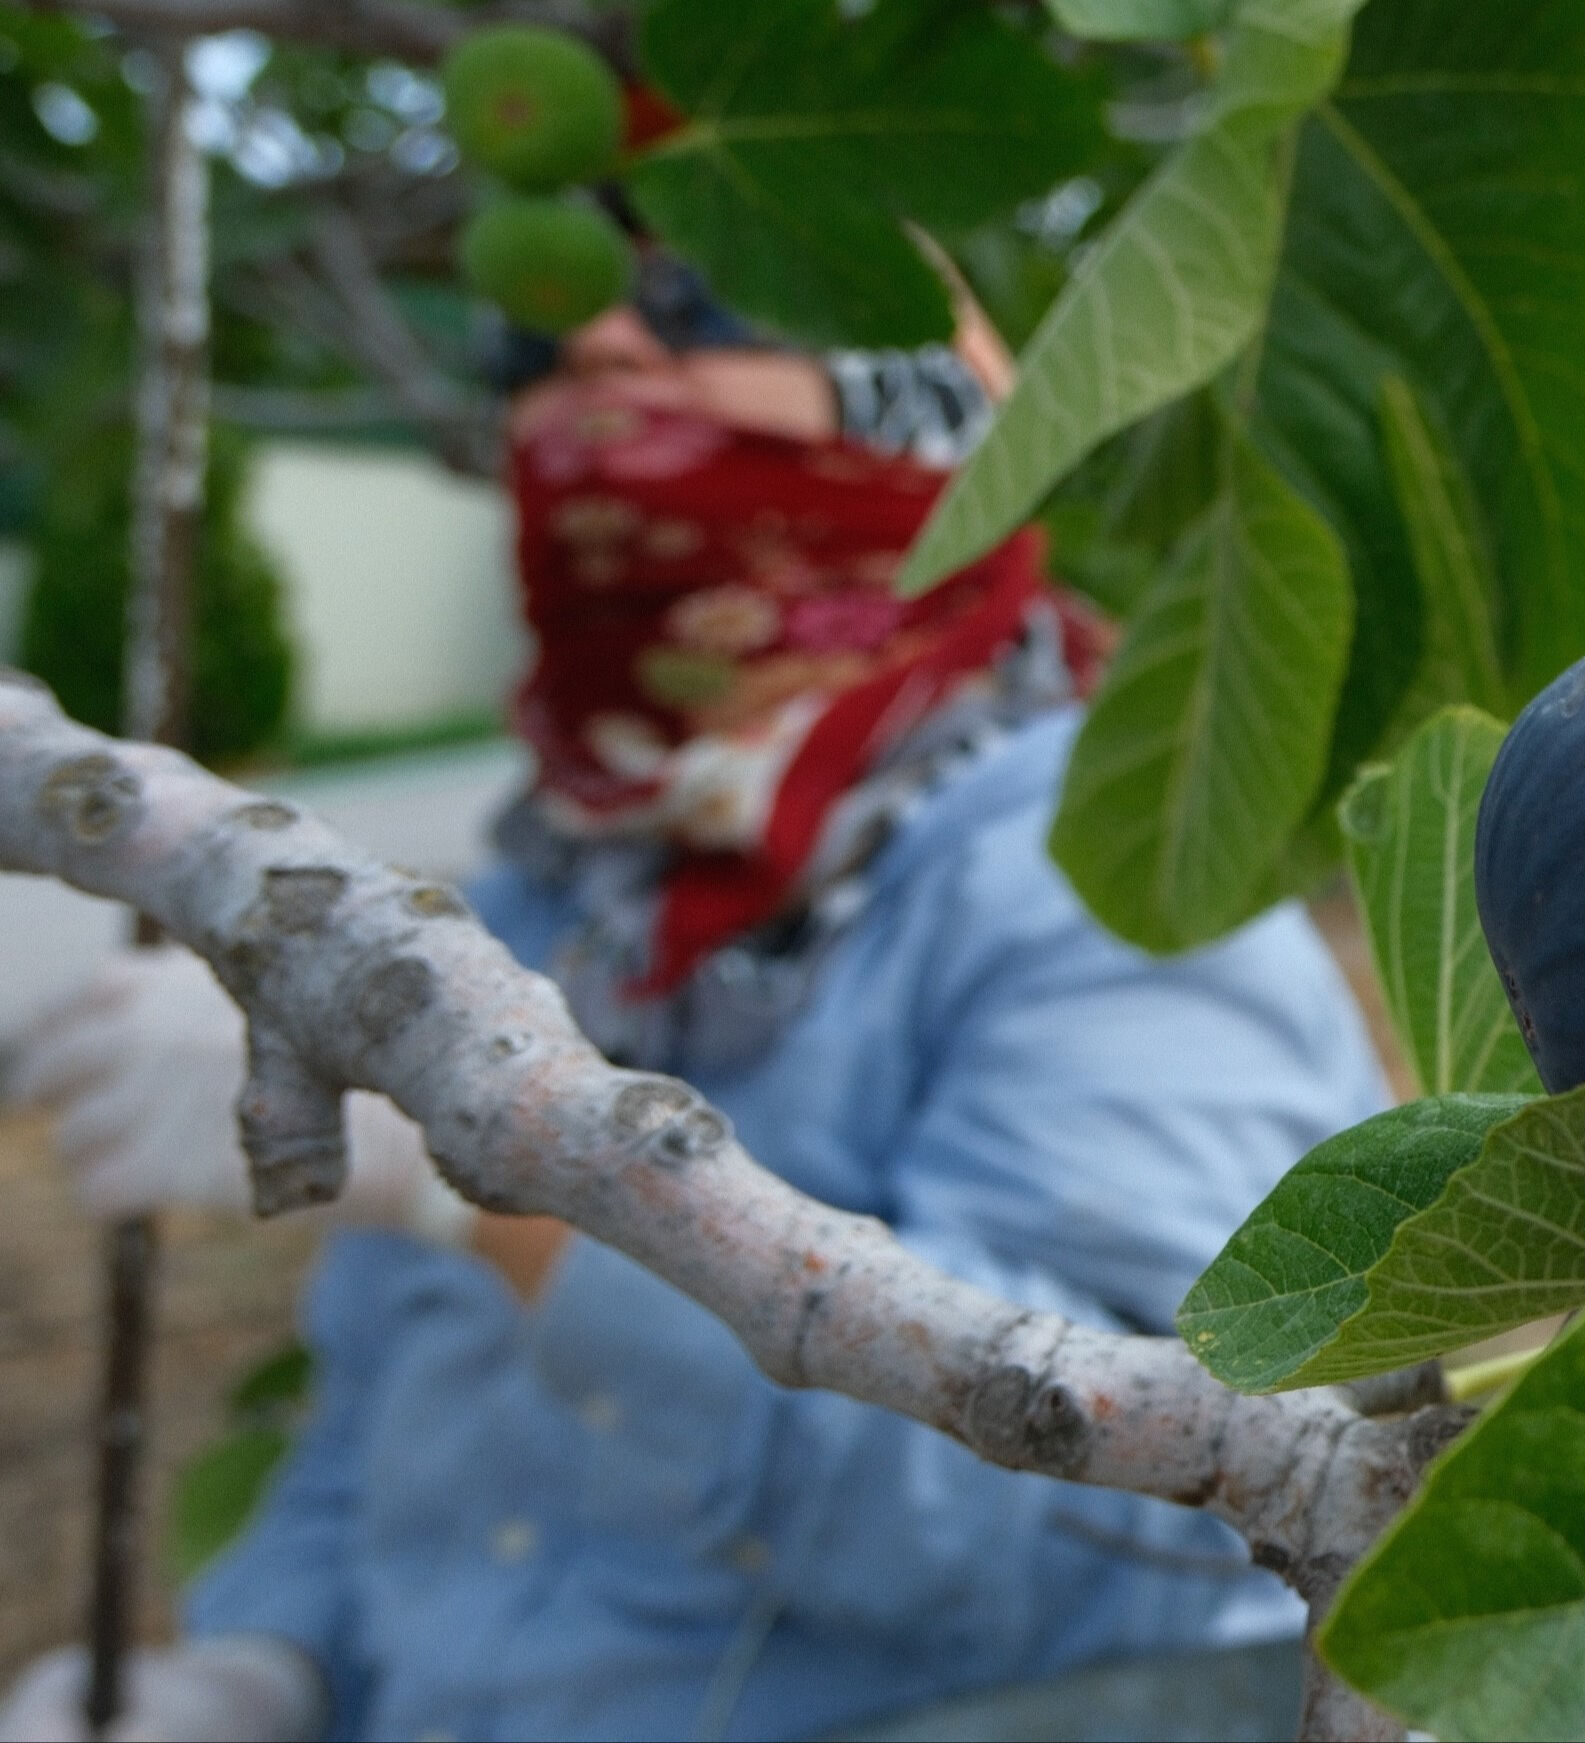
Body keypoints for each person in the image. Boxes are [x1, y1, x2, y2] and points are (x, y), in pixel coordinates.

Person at [0, 252, 1392, 1742]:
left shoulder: (1110, 877)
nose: (597, 345)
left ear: (921, 396)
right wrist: (266, 1659)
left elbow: (1126, 1522)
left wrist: (494, 1173)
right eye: (540, 336)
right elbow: (387, 1407)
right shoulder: (549, 885)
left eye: (707, 306)